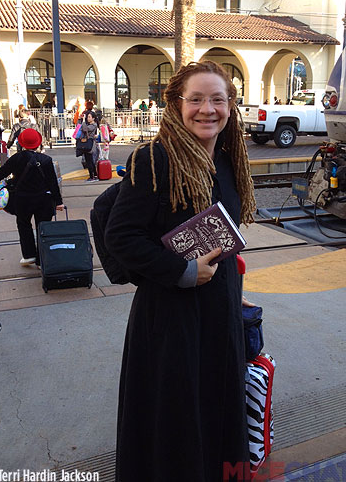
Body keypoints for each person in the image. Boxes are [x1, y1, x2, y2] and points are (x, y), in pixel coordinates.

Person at [104, 60, 256, 482]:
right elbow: (122, 236)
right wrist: (182, 271)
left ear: (231, 106)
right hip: (170, 319)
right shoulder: (154, 159)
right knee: (176, 415)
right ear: (176, 104)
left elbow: (220, 236)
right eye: (196, 99)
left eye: (218, 99)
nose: (207, 109)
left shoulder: (226, 159)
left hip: (218, 310)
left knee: (216, 406)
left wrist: (233, 284)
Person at [0, 129, 64, 266]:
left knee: (24, 224)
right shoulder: (46, 160)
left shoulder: (16, 158)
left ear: (21, 143)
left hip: (22, 199)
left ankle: (29, 255)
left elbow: (1, 172)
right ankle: (41, 259)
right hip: (43, 200)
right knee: (43, 227)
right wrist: (58, 202)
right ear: (38, 143)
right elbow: (52, 183)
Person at [76, 110, 99, 182]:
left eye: (89, 117)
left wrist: (83, 121)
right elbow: (78, 127)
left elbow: (84, 129)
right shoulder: (87, 124)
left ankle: (92, 177)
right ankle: (94, 175)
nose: (88, 118)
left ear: (93, 118)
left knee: (89, 161)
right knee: (89, 160)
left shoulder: (94, 125)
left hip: (89, 143)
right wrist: (80, 119)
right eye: (87, 117)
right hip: (86, 143)